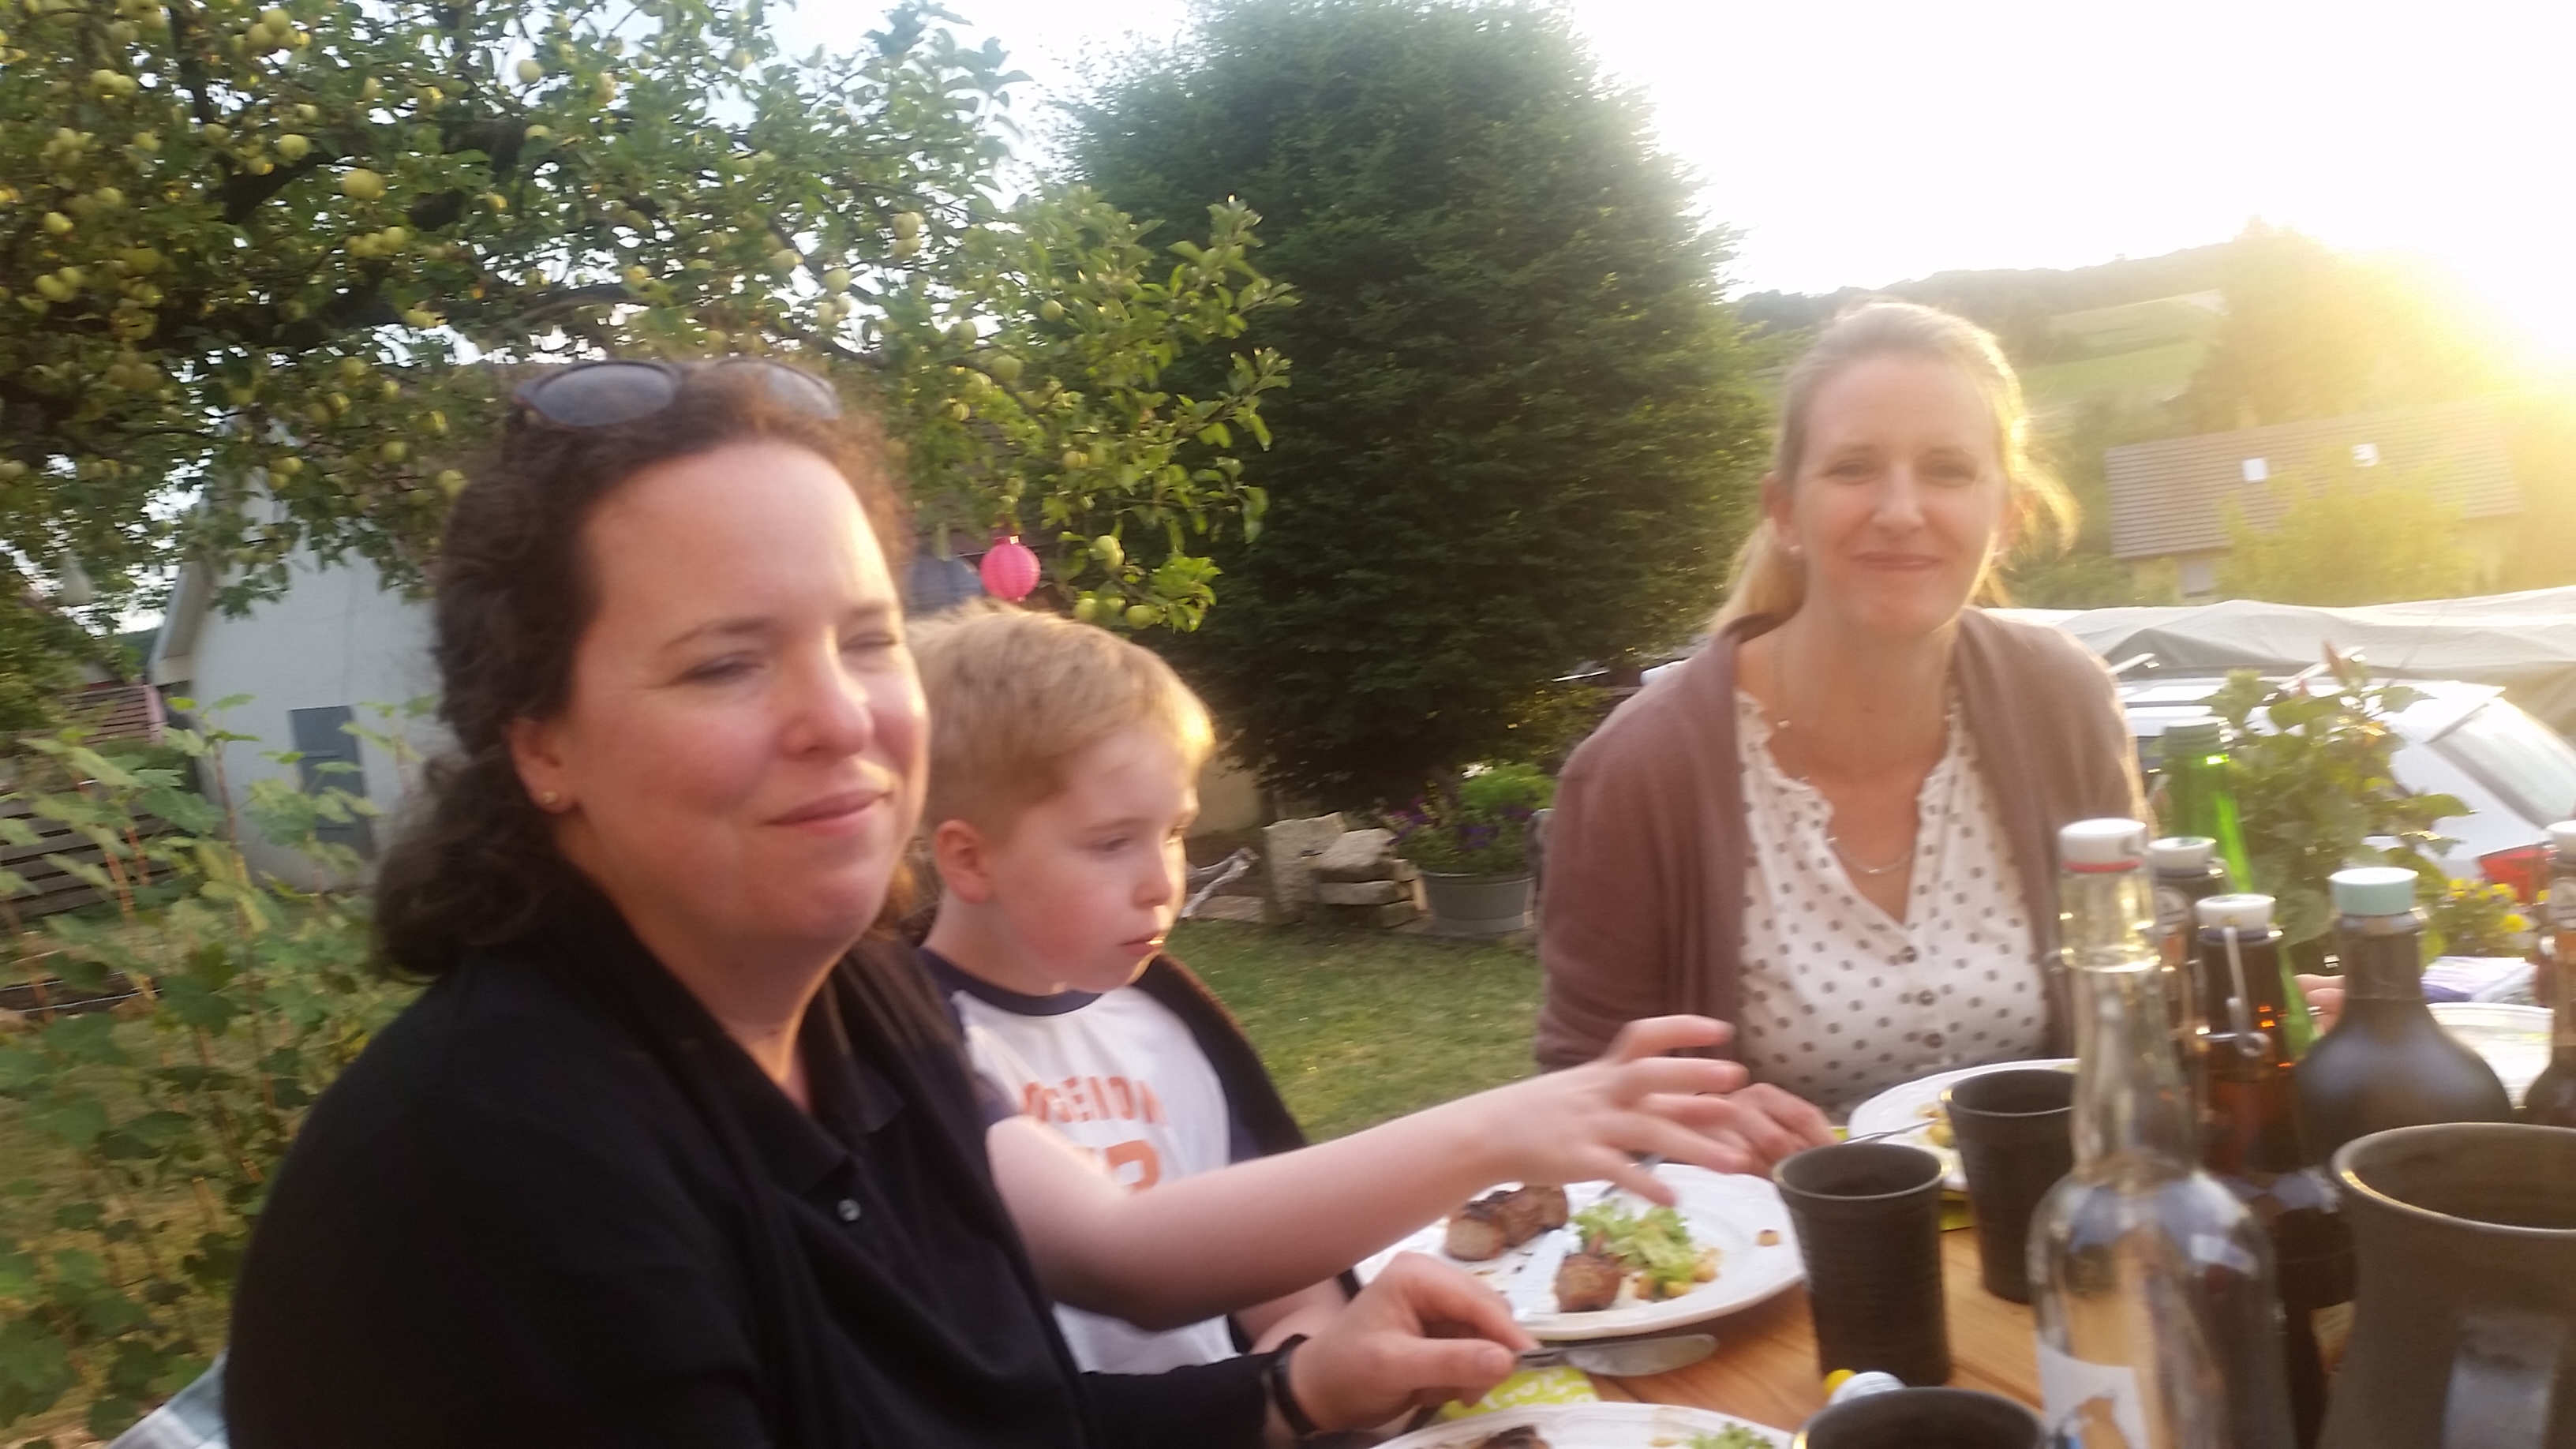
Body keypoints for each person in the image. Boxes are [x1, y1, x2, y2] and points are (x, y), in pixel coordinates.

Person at [222, 358, 1764, 1449]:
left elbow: (1019, 1393)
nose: (840, 717)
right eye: (725, 662)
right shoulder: (506, 1181)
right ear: (539, 740)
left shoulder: (856, 1002)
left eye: (865, 639)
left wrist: (1293, 1394)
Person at [1535, 301, 2149, 1126]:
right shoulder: (1640, 773)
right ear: (1785, 512)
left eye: (1947, 470)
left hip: (2049, 1204)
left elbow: (2136, 991)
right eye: (1854, 468)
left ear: (2008, 518)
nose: (1900, 510)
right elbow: (1578, 1106)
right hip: (1770, 1212)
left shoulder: (2062, 703)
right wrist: (1699, 1123)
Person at [910, 603, 1343, 1371]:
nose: (1163, 883)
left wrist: (1306, 1382)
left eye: (1172, 833)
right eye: (1112, 843)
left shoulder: (1170, 1027)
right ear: (970, 860)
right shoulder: (912, 1050)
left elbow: (1299, 1302)